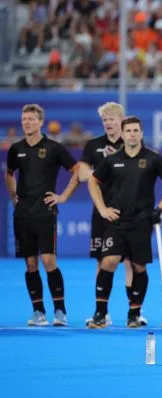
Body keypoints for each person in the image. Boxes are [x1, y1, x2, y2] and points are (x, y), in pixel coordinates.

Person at [87, 116, 162, 328]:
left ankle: (134, 313)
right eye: (128, 131)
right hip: (116, 221)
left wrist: (161, 207)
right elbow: (93, 180)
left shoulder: (152, 158)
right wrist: (102, 208)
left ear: (141, 133)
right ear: (122, 134)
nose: (132, 134)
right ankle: (100, 314)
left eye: (136, 130)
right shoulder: (112, 159)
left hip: (141, 221)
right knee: (108, 262)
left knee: (138, 267)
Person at [5, 104, 79, 327]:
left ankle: (60, 311)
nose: (26, 122)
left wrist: (63, 196)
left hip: (45, 212)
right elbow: (9, 173)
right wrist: (13, 196)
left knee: (48, 261)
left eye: (31, 119)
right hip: (23, 213)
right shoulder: (15, 148)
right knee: (30, 264)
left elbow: (76, 171)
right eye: (24, 119)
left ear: (41, 122)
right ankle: (38, 311)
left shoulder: (54, 148)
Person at [78, 102, 143, 327]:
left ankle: (133, 312)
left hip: (130, 213)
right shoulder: (93, 145)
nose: (108, 124)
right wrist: (108, 167)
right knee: (103, 261)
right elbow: (83, 173)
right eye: (105, 120)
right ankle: (101, 313)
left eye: (112, 119)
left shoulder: (133, 143)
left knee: (131, 263)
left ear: (122, 120)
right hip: (103, 211)